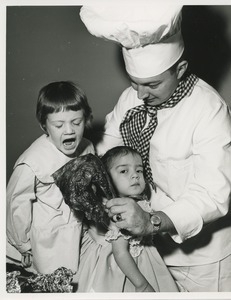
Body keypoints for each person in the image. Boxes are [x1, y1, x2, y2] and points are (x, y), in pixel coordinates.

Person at [80, 5, 231, 292]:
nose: (140, 94)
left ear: (181, 69)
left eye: (151, 84)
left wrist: (150, 221)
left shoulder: (210, 111)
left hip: (200, 259)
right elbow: (106, 151)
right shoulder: (131, 99)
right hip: (145, 252)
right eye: (134, 83)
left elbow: (213, 194)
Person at [6, 81, 94, 275]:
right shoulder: (32, 162)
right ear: (44, 125)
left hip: (77, 231)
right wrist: (22, 244)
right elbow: (14, 204)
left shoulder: (87, 148)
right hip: (47, 241)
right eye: (59, 125)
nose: (69, 130)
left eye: (76, 122)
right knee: (51, 281)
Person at [75, 146, 179, 292]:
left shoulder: (139, 202)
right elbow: (121, 253)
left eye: (139, 170)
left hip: (144, 257)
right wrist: (141, 285)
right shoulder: (119, 211)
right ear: (107, 179)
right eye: (124, 171)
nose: (135, 176)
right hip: (126, 268)